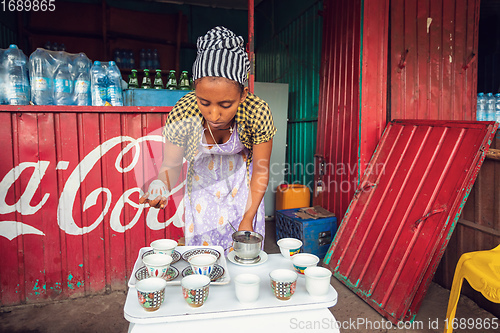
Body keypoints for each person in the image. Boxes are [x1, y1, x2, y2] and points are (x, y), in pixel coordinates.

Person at [140, 26, 276, 253]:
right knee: (204, 262)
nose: (214, 116)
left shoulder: (257, 112)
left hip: (244, 192)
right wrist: (159, 186)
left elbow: (261, 170)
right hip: (203, 195)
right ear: (194, 90)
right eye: (204, 102)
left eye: (225, 105)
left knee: (241, 265)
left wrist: (247, 217)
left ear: (243, 94)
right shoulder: (183, 112)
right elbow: (171, 165)